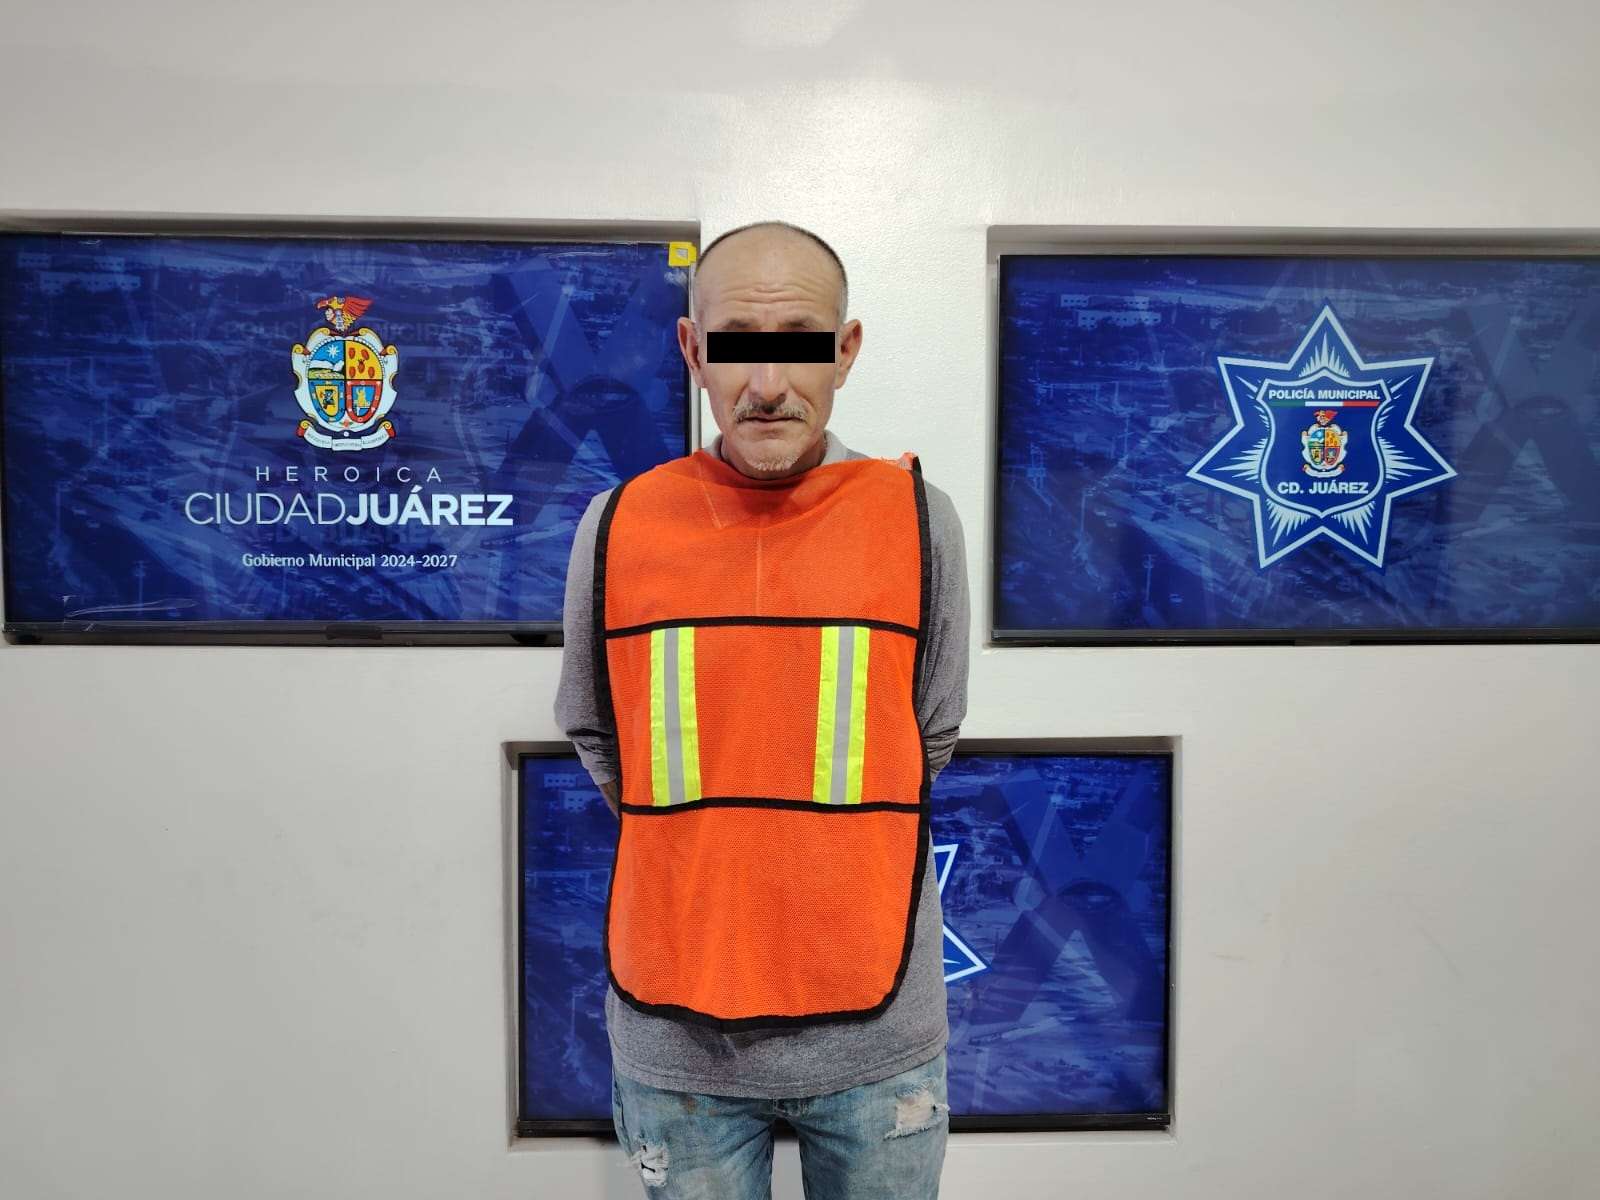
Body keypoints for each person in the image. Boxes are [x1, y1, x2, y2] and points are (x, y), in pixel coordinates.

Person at [556, 220, 970, 1199]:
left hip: (879, 1040)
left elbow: (931, 732)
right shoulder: (617, 525)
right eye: (738, 344)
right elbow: (596, 731)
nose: (769, 383)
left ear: (846, 350)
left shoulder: (919, 520)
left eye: (800, 343)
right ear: (693, 350)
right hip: (677, 1037)